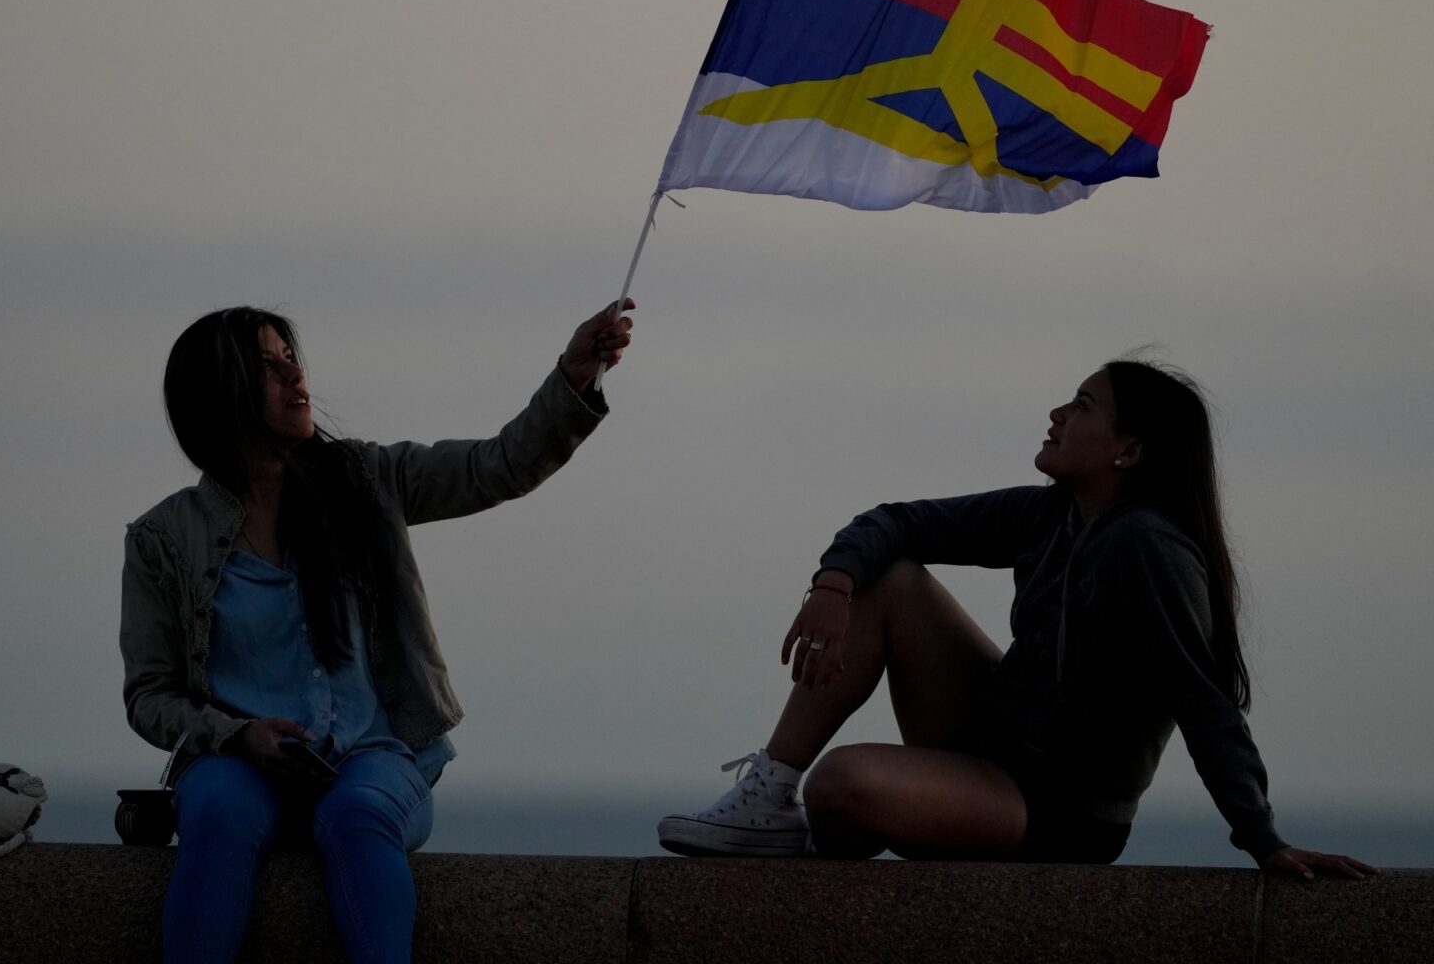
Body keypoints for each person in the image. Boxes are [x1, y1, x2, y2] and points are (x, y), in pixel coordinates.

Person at [658, 358, 1374, 879]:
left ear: (1129, 451)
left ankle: (836, 824)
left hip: (1057, 809)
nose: (1058, 414)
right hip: (992, 743)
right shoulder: (1050, 514)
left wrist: (1262, 837)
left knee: (842, 785)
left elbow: (1203, 701)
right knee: (891, 577)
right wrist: (833, 585)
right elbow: (897, 522)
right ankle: (768, 796)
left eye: (1082, 406)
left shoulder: (1148, 548)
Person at [121, 300, 635, 964]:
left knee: (358, 816)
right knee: (217, 815)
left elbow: (497, 465)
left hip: (376, 756)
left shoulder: (368, 480)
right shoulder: (163, 539)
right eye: (268, 368)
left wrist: (575, 374)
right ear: (219, 396)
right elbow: (150, 695)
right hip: (237, 765)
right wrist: (237, 735)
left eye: (291, 359)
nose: (296, 377)